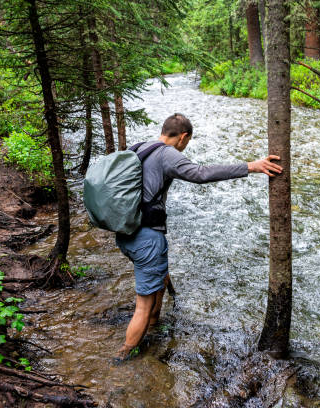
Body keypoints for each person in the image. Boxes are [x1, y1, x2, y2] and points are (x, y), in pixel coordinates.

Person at [114, 113, 282, 361]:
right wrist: (250, 166)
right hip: (147, 238)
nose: (185, 148)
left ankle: (153, 334)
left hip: (127, 232)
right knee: (143, 304)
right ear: (183, 137)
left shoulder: (139, 148)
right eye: (187, 143)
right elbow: (200, 174)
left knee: (157, 284)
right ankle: (123, 357)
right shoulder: (167, 153)